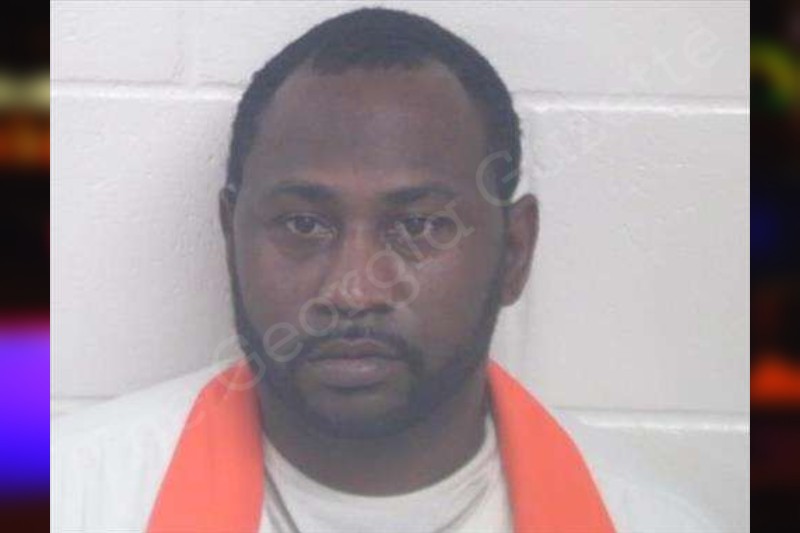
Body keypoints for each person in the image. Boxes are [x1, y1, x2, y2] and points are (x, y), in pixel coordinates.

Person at [53, 8, 719, 532]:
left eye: (421, 226)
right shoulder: (71, 498)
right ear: (231, 236)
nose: (353, 288)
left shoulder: (654, 521)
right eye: (303, 224)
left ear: (514, 252)